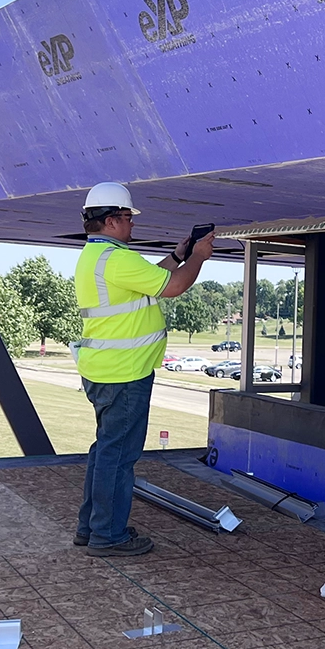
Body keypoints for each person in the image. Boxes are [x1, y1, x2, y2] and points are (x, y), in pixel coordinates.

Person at [73, 181, 214, 556]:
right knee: (118, 457)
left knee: (105, 451)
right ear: (112, 221)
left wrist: (178, 255)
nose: (132, 224)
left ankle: (92, 527)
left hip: (105, 371)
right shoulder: (117, 259)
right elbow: (173, 287)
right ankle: (108, 535)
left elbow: (151, 279)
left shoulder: (97, 256)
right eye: (127, 217)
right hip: (125, 374)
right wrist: (199, 257)